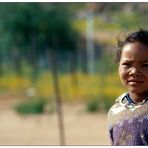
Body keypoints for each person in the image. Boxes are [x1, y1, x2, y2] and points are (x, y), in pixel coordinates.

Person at [108, 28, 148, 145]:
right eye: (127, 64)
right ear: (118, 66)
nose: (134, 71)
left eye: (145, 65)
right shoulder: (115, 112)